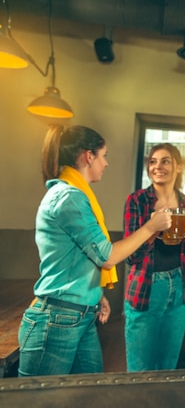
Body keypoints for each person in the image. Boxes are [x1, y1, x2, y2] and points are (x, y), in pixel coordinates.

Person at [18, 125, 171, 377]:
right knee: (40, 401)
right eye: (104, 155)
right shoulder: (69, 197)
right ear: (89, 157)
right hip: (57, 319)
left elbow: (76, 258)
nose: (106, 163)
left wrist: (95, 295)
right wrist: (150, 227)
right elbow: (107, 256)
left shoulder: (76, 194)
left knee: (89, 394)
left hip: (80, 314)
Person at [123, 143, 185, 371]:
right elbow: (131, 256)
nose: (158, 166)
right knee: (140, 367)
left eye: (165, 161)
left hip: (179, 285)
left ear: (178, 167)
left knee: (168, 365)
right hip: (146, 286)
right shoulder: (137, 201)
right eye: (153, 161)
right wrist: (153, 227)